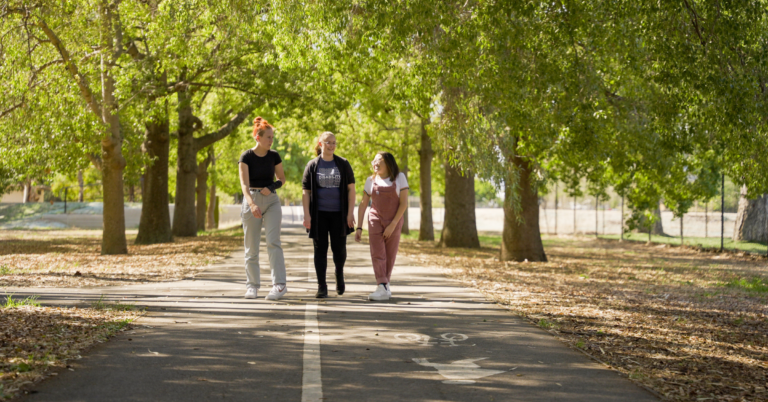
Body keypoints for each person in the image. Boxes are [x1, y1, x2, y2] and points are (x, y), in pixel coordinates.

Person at [302, 132, 356, 298]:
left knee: (339, 250)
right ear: (320, 144)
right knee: (320, 250)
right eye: (328, 142)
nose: (331, 145)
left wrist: (350, 213)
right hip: (319, 215)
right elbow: (306, 192)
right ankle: (322, 285)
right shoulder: (312, 166)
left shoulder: (343, 164)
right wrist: (307, 216)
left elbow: (351, 190)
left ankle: (339, 274)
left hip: (339, 214)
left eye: (334, 143)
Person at [238, 117, 287, 301]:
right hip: (252, 199)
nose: (271, 140)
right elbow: (244, 184)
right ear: (258, 138)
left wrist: (272, 187)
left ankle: (279, 285)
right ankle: (252, 286)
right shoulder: (246, 157)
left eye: (272, 137)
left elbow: (282, 179)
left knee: (273, 242)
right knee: (251, 247)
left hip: (271, 201)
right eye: (268, 137)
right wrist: (251, 204)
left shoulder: (274, 155)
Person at [355, 152, 409, 301]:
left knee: (390, 255)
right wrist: (359, 227)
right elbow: (363, 205)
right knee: (377, 253)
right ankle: (382, 285)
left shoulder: (400, 178)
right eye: (374, 160)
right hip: (375, 219)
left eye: (378, 160)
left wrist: (393, 225)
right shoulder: (370, 180)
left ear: (388, 163)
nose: (375, 163)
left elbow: (404, 204)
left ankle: (384, 286)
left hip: (395, 221)